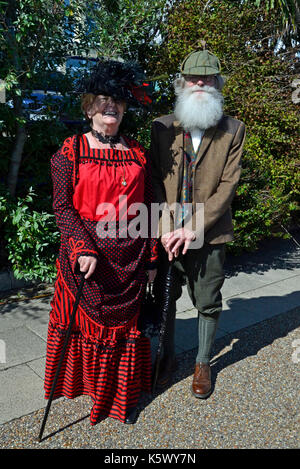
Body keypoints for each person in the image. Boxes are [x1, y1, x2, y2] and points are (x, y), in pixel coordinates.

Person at [44, 59, 158, 425]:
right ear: (89, 107)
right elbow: (62, 208)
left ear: (125, 109)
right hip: (87, 261)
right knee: (82, 326)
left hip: (130, 259)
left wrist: (153, 257)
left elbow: (150, 205)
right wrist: (82, 247)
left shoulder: (138, 153)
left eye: (119, 102)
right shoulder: (70, 151)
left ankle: (116, 395)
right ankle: (87, 387)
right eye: (104, 100)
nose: (112, 107)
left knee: (125, 331)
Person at [150, 46, 246, 398]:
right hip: (168, 230)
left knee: (207, 300)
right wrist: (165, 230)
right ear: (182, 83)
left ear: (217, 82)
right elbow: (156, 182)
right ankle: (167, 357)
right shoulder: (161, 127)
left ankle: (203, 363)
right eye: (193, 77)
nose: (200, 82)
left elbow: (228, 184)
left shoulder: (233, 129)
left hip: (210, 231)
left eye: (207, 77)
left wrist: (195, 227)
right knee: (166, 296)